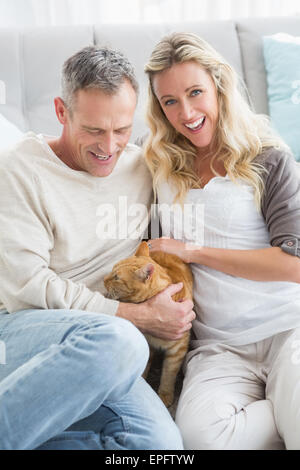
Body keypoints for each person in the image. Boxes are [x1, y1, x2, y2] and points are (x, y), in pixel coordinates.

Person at [0, 45, 191, 450]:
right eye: (93, 129)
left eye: (121, 129)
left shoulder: (142, 165)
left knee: (159, 446)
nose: (109, 146)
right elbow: (26, 288)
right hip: (24, 329)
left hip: (103, 353)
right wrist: (135, 316)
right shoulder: (19, 169)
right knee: (122, 340)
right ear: (61, 111)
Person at [144, 32, 300, 450]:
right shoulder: (157, 164)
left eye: (196, 92)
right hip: (219, 346)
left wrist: (193, 252)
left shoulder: (269, 157)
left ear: (219, 87)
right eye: (170, 101)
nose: (187, 112)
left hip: (288, 327)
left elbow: (294, 264)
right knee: (199, 438)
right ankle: (282, 410)